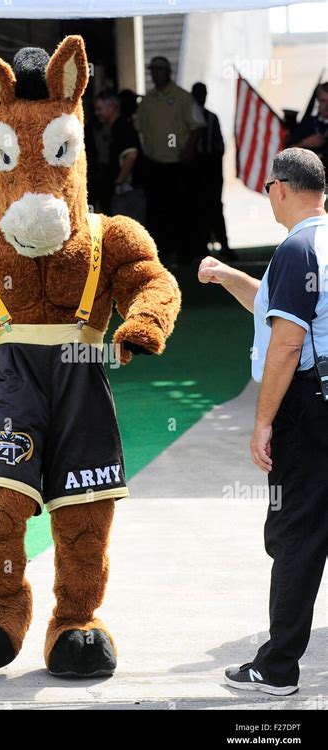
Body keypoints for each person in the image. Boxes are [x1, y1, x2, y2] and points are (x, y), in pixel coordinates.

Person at [198, 147, 327, 696]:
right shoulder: (316, 243)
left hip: (310, 408)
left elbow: (287, 340)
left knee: (296, 534)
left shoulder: (298, 248)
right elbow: (278, 310)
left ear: (279, 188)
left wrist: (262, 422)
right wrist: (230, 276)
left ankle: (278, 668)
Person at [134, 57, 205, 265]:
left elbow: (197, 125)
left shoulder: (183, 97)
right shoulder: (147, 101)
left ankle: (185, 253)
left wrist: (188, 150)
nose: (155, 74)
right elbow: (139, 129)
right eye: (152, 70)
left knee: (182, 210)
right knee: (157, 211)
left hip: (179, 165)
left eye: (159, 70)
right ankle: (162, 252)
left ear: (168, 72)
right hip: (155, 165)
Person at [191, 82, 235, 262]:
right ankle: (201, 246)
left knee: (215, 206)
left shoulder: (211, 118)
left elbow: (220, 146)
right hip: (197, 167)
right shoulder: (189, 118)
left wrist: (211, 162)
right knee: (199, 207)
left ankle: (223, 245)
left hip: (211, 167)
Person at [94, 89, 145, 223]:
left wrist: (119, 181)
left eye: (100, 109)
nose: (97, 113)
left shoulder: (122, 127)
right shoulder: (116, 127)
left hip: (128, 193)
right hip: (124, 192)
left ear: (111, 107)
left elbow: (131, 154)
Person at [286, 82, 328, 183]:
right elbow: (286, 153)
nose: (326, 106)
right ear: (318, 101)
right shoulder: (306, 124)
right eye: (323, 101)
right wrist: (305, 143)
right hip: (302, 183)